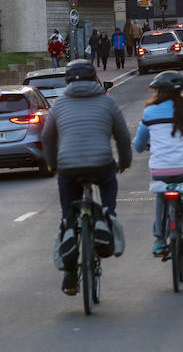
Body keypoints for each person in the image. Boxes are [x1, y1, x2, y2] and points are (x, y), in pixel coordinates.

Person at [39, 59, 132, 295]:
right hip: (101, 164)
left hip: (69, 167)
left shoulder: (59, 105)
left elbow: (47, 137)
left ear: (68, 81)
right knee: (109, 179)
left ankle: (69, 231)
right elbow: (122, 136)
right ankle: (107, 216)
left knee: (69, 205)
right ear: (94, 79)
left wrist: (52, 165)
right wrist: (124, 162)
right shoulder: (106, 102)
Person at [132, 71, 183, 257]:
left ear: (159, 92)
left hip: (160, 169)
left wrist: (145, 145)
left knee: (161, 196)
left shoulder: (150, 112)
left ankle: (160, 240)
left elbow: (138, 145)